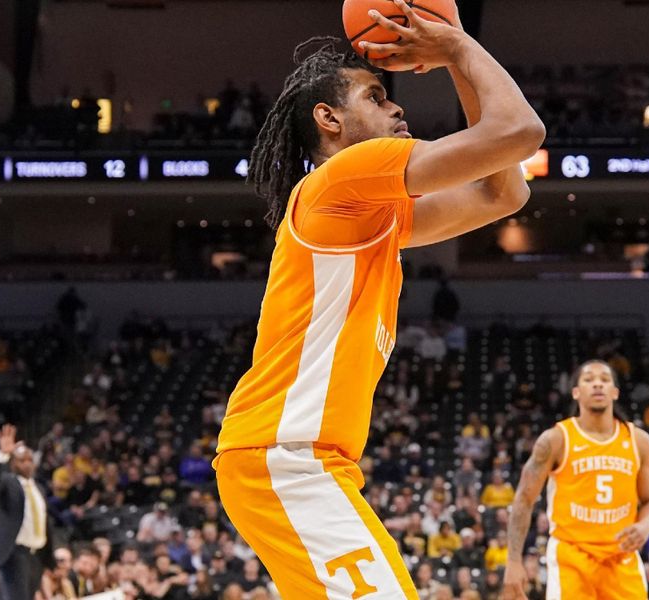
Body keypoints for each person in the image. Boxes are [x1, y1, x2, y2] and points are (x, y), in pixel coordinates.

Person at [214, 0, 544, 597]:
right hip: (286, 456)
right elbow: (521, 133)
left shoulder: (371, 214)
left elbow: (504, 191)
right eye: (373, 96)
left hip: (302, 461)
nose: (395, 105)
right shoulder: (344, 176)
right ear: (328, 119)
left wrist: (455, 55)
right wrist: (458, 46)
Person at [502, 360, 649, 600]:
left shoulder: (639, 441)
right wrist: (513, 561)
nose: (597, 384)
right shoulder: (556, 440)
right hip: (571, 557)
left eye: (605, 380)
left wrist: (646, 525)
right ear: (575, 392)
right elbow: (524, 499)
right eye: (588, 379)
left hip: (621, 557)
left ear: (615, 392)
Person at [0, 424, 55, 600]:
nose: (27, 464)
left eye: (29, 459)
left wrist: (48, 556)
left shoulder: (38, 487)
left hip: (36, 555)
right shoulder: (9, 483)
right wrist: (3, 455)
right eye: (21, 460)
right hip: (16, 553)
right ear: (12, 463)